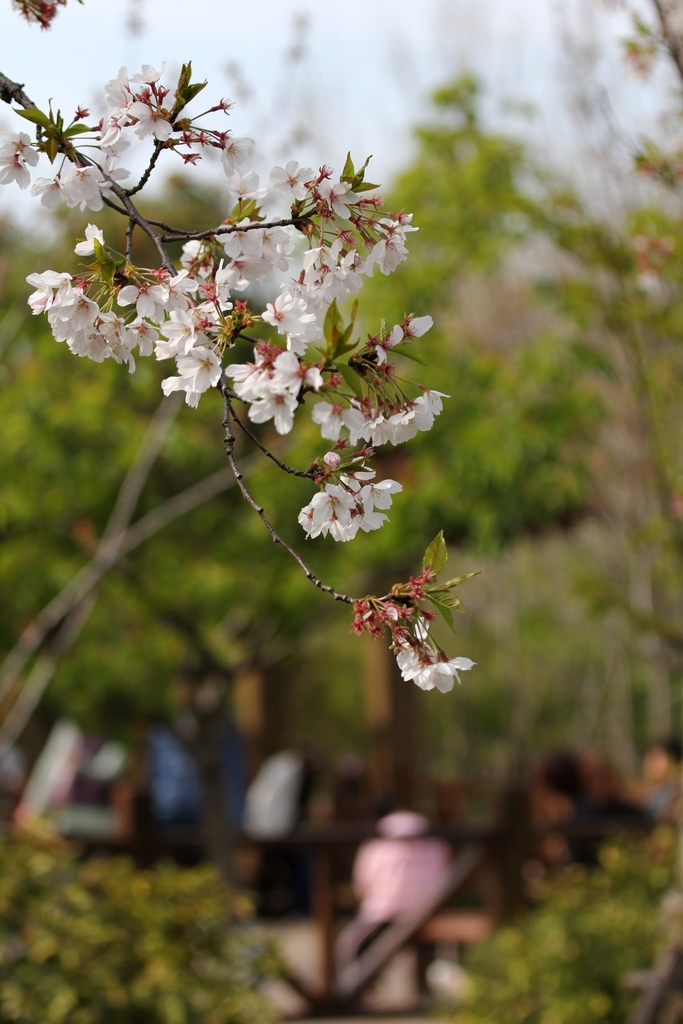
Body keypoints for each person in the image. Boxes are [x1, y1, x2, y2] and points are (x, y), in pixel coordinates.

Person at [335, 808, 452, 969]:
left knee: (352, 948)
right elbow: (445, 878)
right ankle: (426, 985)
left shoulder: (377, 844)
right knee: (429, 955)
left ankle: (359, 987)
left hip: (382, 914)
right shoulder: (435, 845)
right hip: (426, 913)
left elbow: (363, 881)